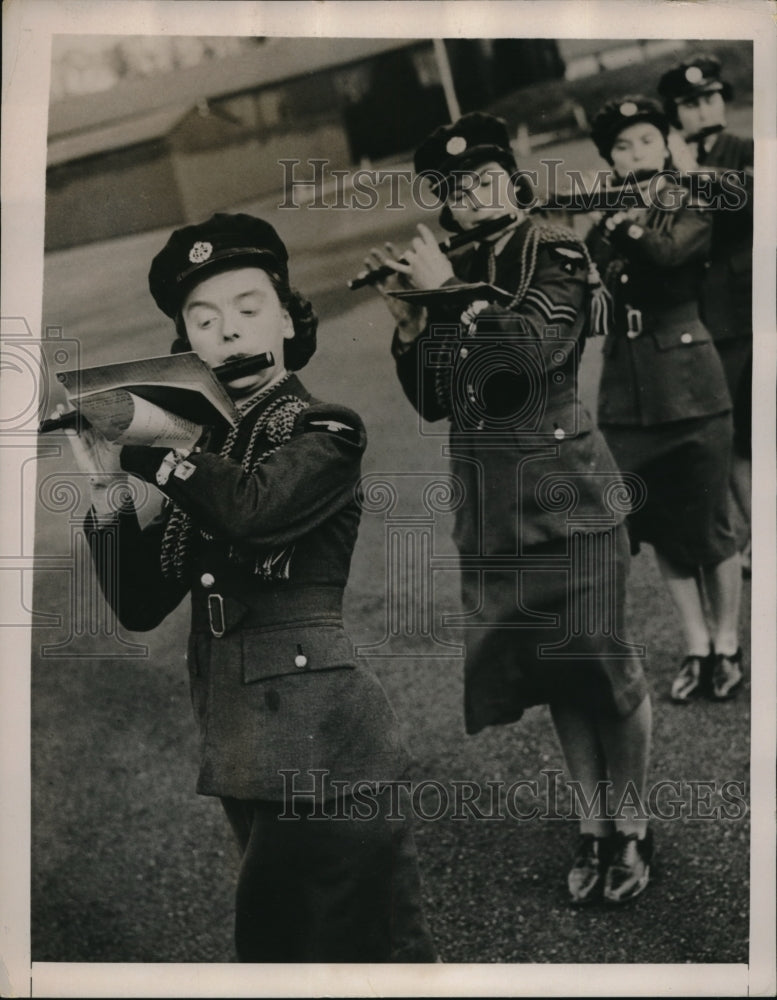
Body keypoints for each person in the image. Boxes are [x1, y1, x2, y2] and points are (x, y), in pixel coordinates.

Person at [59, 213, 437, 963]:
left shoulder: (324, 430)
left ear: (291, 320)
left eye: (247, 309)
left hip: (325, 747)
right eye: (203, 321)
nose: (227, 334)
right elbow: (139, 604)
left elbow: (256, 513)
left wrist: (164, 448)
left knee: (363, 953)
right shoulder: (208, 459)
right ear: (186, 350)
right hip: (243, 745)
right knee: (293, 951)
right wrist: (106, 488)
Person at [364, 112, 654, 905]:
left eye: (486, 179)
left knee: (605, 664)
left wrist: (449, 298)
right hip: (493, 506)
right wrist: (410, 327)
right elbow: (433, 400)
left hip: (571, 496)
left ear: (511, 179)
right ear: (446, 206)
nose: (475, 197)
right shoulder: (460, 264)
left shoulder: (554, 248)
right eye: (457, 191)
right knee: (557, 672)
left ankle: (631, 825)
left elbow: (528, 353)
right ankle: (591, 823)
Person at [585, 97, 744, 703]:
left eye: (646, 141)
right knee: (658, 528)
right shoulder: (607, 209)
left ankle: (728, 643)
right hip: (628, 396)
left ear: (668, 144)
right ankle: (697, 644)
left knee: (709, 527)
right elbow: (594, 282)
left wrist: (618, 220)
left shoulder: (689, 198)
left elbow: (670, 253)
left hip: (691, 387)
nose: (634, 155)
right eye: (621, 148)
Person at [658, 54, 753, 573]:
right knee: (735, 434)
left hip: (750, 308)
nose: (703, 110)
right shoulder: (671, 169)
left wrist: (691, 175)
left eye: (711, 98)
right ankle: (758, 533)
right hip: (704, 313)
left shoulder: (745, 151)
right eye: (690, 104)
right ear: (675, 114)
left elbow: (741, 209)